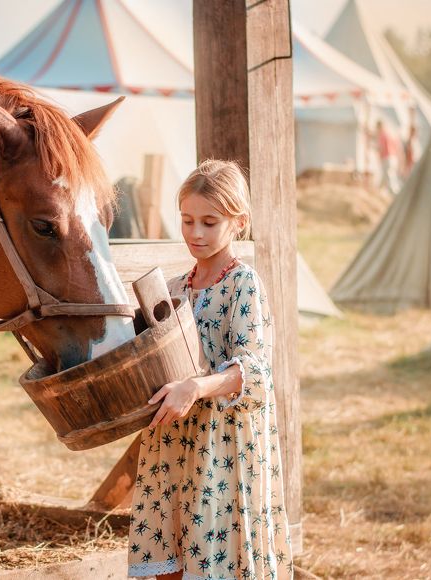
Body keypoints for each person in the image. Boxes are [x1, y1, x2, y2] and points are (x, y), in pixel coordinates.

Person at [127, 160, 294, 580]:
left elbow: (254, 373)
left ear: (237, 222)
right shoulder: (173, 288)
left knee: (209, 557)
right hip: (168, 447)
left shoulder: (243, 284)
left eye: (209, 221)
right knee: (165, 554)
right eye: (187, 220)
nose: (195, 233)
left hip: (217, 447)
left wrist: (196, 388)